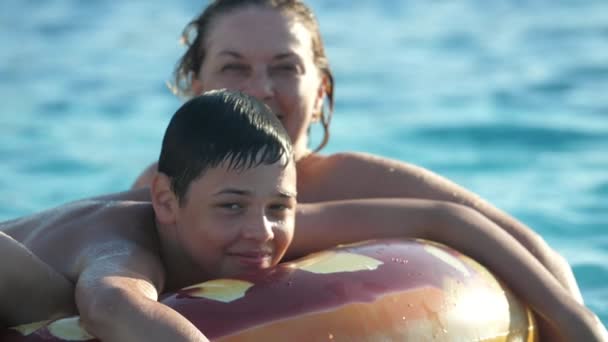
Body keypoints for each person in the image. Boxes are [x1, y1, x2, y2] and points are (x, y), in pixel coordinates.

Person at [1, 90, 606, 341]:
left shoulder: (248, 234)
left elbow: (442, 220)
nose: (261, 232)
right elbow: (109, 304)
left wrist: (574, 319)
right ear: (165, 202)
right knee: (45, 296)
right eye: (232, 205)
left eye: (279, 207)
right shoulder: (126, 246)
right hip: (25, 260)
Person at [131, 0, 583, 302]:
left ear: (321, 88)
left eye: (285, 68)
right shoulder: (161, 192)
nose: (261, 90)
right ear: (196, 88)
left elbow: (538, 255)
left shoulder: (355, 183)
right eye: (235, 67)